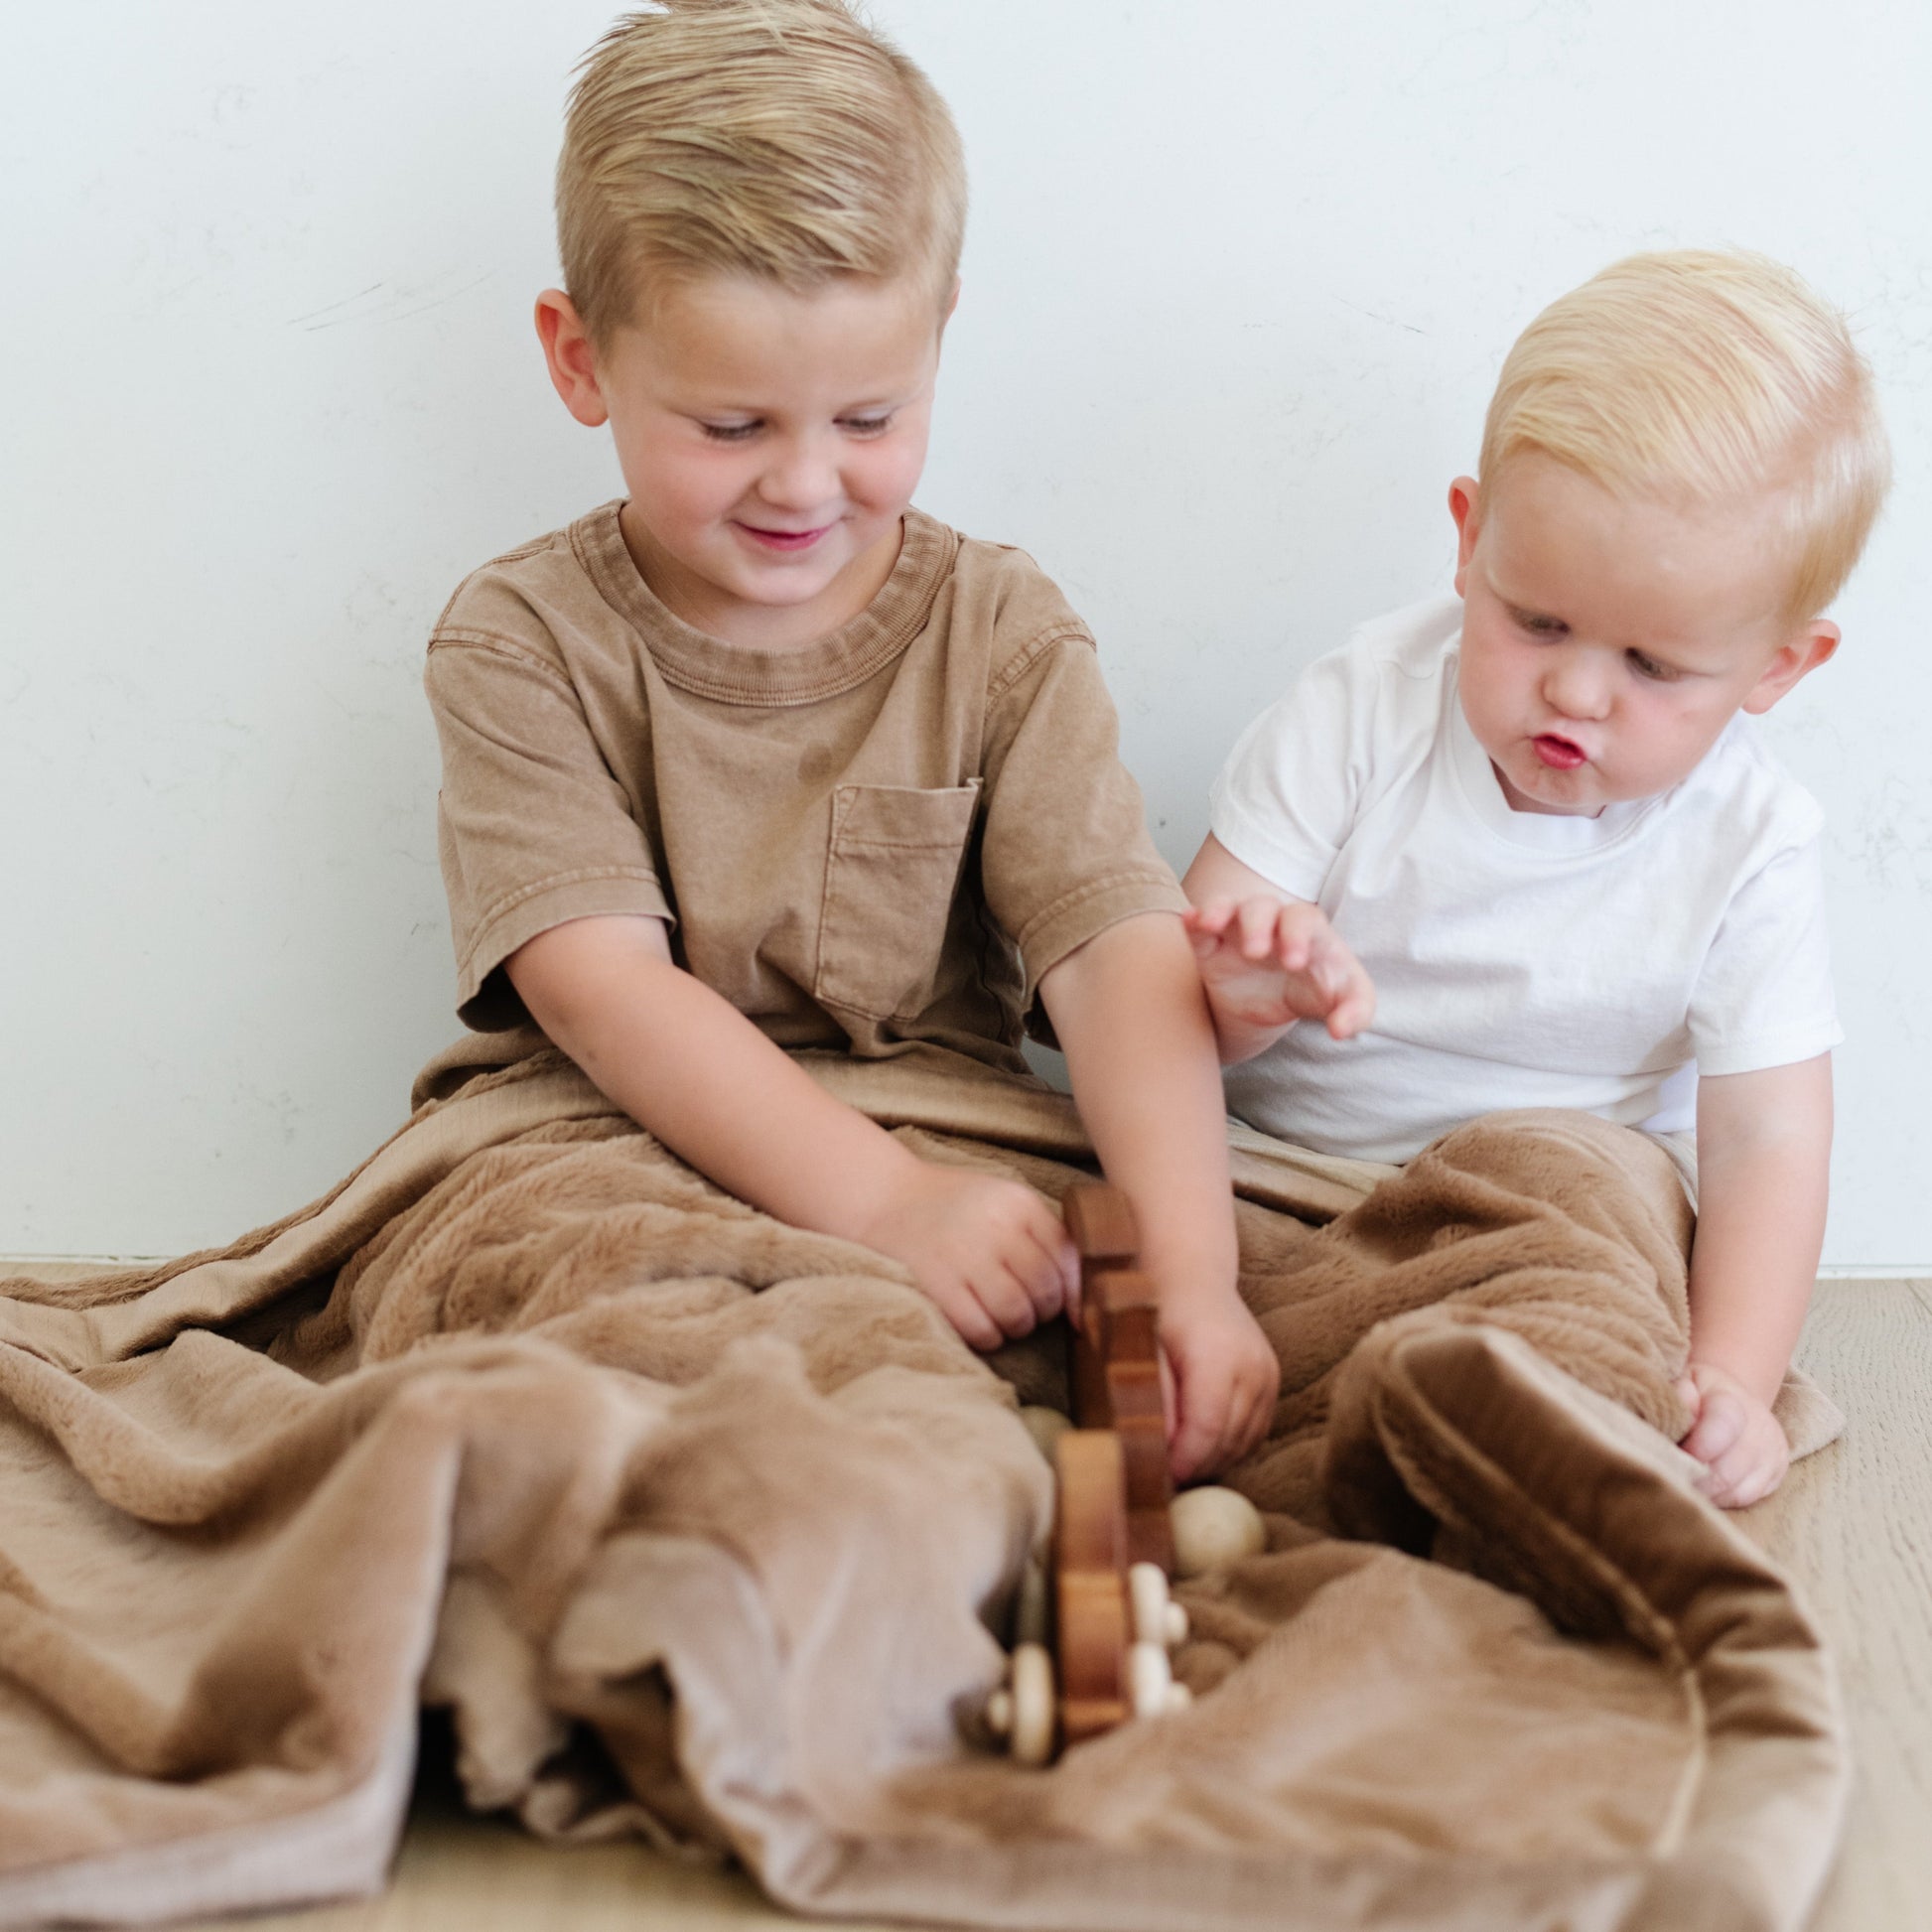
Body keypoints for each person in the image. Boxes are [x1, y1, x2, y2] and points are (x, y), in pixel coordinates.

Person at [424, 0, 1277, 1477]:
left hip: (945, 1141)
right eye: (732, 426)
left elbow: (1110, 953)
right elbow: (606, 993)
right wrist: (879, 1209)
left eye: (869, 416)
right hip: (610, 1146)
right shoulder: (520, 640)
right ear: (580, 361)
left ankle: (961, 1489)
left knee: (1371, 1256)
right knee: (585, 1334)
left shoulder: (1000, 630)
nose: (804, 484)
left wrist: (1187, 1273)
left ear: (939, 341)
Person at [1183, 250, 1889, 1508]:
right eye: (1537, 623)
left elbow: (1764, 1140)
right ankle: (1315, 1403)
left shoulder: (1752, 839)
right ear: (1469, 541)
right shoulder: (1358, 710)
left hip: (1544, 1220)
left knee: (1600, 1230)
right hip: (1286, 1190)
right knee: (1099, 1213)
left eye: (1654, 665)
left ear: (1777, 666)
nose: (1574, 690)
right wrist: (1239, 990)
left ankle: (1473, 1428)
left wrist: (1731, 1376)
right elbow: (1170, 1008)